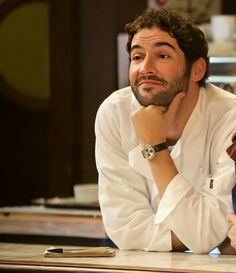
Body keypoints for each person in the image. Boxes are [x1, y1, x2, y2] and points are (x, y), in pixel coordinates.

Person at [95, 8, 236, 254]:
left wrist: (155, 149)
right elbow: (125, 229)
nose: (145, 68)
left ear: (197, 70)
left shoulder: (230, 118)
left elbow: (209, 234)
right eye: (137, 57)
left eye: (162, 55)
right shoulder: (114, 113)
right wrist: (205, 235)